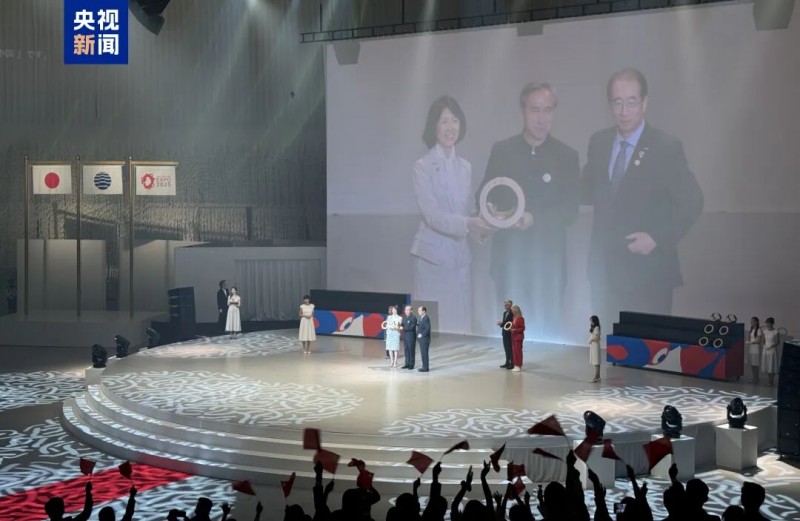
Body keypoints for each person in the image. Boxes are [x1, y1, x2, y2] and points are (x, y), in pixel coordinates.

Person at [582, 68, 703, 324]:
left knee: (647, 345)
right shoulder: (599, 142)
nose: (624, 111)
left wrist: (657, 237)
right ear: (610, 105)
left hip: (649, 274)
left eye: (631, 102)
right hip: (604, 272)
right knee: (605, 343)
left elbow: (693, 202)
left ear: (644, 103)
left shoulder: (665, 147)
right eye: (617, 102)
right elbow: (586, 190)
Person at [478, 82, 580, 341]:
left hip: (549, 264)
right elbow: (485, 193)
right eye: (535, 110)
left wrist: (533, 219)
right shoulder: (503, 151)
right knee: (510, 335)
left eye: (548, 110)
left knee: (548, 338)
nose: (541, 118)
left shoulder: (567, 156)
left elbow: (570, 211)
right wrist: (488, 209)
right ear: (522, 111)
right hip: (509, 261)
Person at [411, 95, 492, 334]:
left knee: (460, 327)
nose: (450, 127)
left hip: (460, 258)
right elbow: (432, 216)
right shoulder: (422, 166)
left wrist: (486, 223)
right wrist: (469, 222)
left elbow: (464, 213)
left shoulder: (465, 167)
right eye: (444, 121)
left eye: (455, 120)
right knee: (431, 330)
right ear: (434, 126)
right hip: (431, 259)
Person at [762, 317, 779, 386]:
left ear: (772, 323)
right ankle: (769, 380)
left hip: (772, 350)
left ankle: (771, 381)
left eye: (769, 323)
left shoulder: (775, 331)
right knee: (767, 365)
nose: (767, 324)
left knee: (772, 365)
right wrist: (764, 345)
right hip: (765, 350)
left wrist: (771, 346)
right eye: (766, 323)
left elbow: (777, 342)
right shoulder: (765, 331)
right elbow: (763, 340)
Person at [497, 300, 514, 369]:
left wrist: (501, 323)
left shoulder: (512, 313)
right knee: (506, 348)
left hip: (509, 333)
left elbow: (509, 322)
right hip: (504, 332)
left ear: (510, 305)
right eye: (505, 305)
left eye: (507, 305)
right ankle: (507, 362)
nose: (505, 306)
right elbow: (505, 322)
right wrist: (501, 324)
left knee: (510, 348)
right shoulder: (505, 313)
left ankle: (512, 363)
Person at [401, 305, 418, 370]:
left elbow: (412, 327)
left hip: (411, 336)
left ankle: (411, 364)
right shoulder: (404, 317)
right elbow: (402, 324)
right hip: (405, 336)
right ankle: (407, 363)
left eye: (408, 309)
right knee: (406, 350)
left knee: (411, 350)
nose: (406, 311)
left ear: (411, 311)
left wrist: (403, 328)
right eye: (405, 309)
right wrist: (398, 325)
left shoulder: (413, 318)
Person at [510, 304, 525, 372]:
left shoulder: (521, 318)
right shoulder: (513, 318)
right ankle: (516, 365)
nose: (512, 312)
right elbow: (513, 326)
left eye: (512, 310)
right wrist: (511, 328)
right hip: (513, 336)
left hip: (518, 337)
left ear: (516, 310)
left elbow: (523, 328)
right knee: (514, 351)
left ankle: (519, 365)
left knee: (518, 351)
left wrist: (515, 330)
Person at [748, 316, 763, 384]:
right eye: (751, 321)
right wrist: (750, 342)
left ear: (757, 322)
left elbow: (758, 340)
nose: (751, 322)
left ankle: (756, 378)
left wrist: (751, 342)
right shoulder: (752, 329)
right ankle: (754, 377)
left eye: (753, 321)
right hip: (751, 348)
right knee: (752, 364)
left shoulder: (759, 330)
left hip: (756, 349)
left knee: (755, 364)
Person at [416, 306, 431, 372]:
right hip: (421, 339)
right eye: (418, 310)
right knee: (423, 353)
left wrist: (421, 334)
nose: (418, 312)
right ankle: (424, 366)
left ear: (424, 311)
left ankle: (425, 368)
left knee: (424, 353)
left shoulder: (426, 318)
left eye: (420, 310)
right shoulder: (421, 318)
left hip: (424, 339)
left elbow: (427, 329)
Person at [589, 315, 602, 383]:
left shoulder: (596, 328)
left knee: (596, 362)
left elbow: (598, 338)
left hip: (595, 346)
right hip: (593, 346)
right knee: (595, 362)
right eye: (591, 321)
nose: (591, 322)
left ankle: (596, 377)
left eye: (592, 321)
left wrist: (591, 340)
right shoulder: (593, 327)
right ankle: (598, 377)